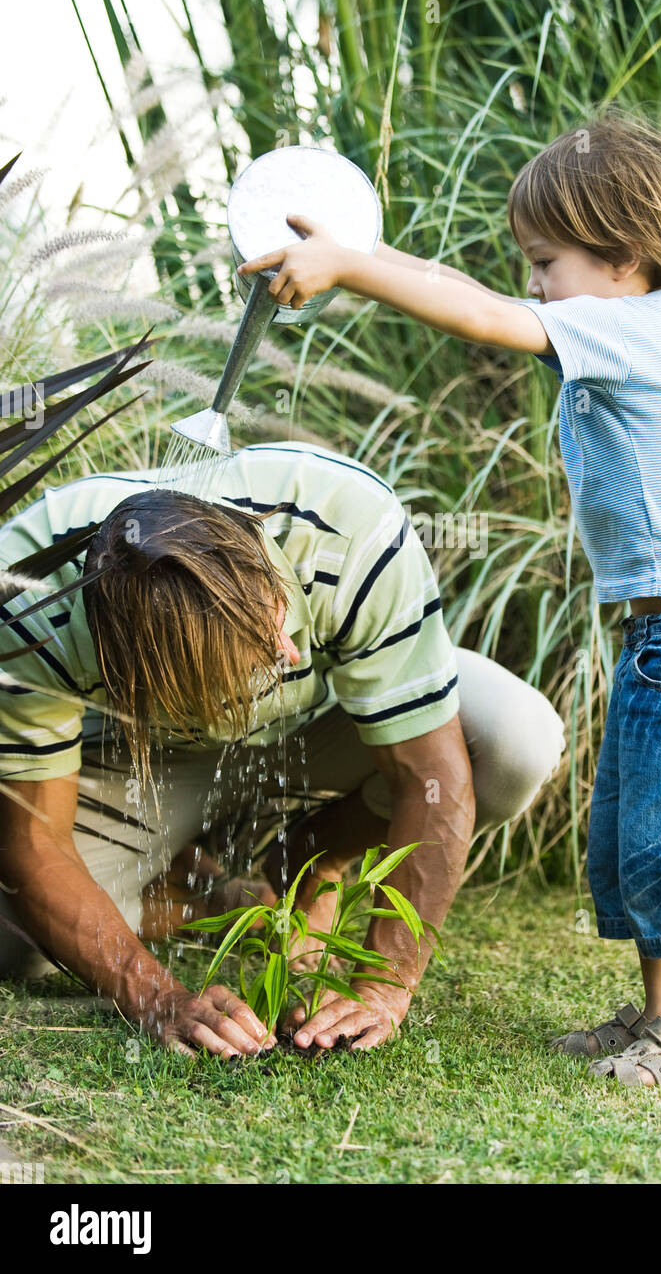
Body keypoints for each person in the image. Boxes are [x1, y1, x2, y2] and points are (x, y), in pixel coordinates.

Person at [237, 109, 661, 1088]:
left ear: (624, 256)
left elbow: (486, 314)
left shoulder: (631, 328)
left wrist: (355, 273)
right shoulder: (621, 323)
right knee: (636, 828)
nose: (533, 282)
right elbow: (478, 293)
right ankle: (657, 1014)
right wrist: (356, 249)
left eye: (547, 258)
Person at [0, 442, 565, 1056]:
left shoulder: (350, 523)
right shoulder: (26, 600)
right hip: (150, 756)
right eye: (255, 661)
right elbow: (35, 842)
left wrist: (381, 986)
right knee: (19, 937)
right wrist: (157, 997)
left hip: (330, 721)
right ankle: (221, 896)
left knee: (514, 742)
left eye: (277, 620)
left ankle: (310, 858)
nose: (288, 651)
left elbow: (429, 775)